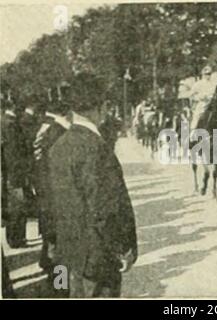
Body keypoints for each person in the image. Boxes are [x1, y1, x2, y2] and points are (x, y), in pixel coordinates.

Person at [48, 73, 138, 297]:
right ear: (102, 106)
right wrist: (124, 248)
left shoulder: (57, 146)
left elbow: (49, 205)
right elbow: (106, 210)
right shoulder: (98, 148)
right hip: (97, 261)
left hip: (65, 258)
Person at [33, 85, 71, 295]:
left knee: (53, 245)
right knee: (61, 251)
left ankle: (55, 281)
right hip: (58, 200)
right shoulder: (59, 133)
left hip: (46, 197)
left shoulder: (44, 129)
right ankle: (61, 289)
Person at [1, 98, 28, 248]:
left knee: (13, 206)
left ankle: (13, 237)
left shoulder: (4, 122)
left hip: (8, 173)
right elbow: (13, 153)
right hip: (14, 173)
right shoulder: (11, 125)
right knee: (17, 206)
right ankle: (17, 238)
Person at [189, 65, 217, 130]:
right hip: (201, 103)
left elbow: (213, 94)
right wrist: (199, 97)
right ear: (203, 74)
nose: (208, 76)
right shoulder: (198, 84)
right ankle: (192, 131)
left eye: (209, 74)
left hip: (210, 103)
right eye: (206, 74)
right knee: (196, 116)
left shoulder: (212, 84)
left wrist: (211, 97)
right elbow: (192, 95)